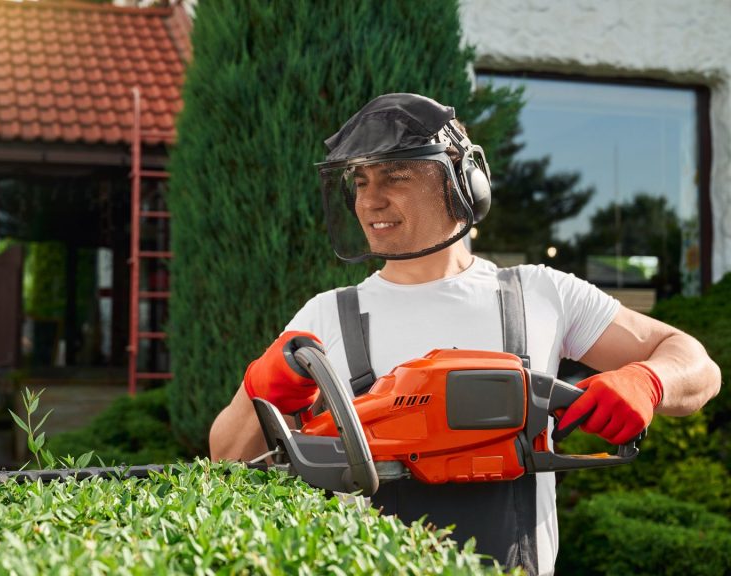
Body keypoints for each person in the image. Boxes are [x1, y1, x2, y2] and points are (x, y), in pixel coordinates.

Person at [208, 93, 721, 575]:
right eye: (361, 182)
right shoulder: (325, 316)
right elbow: (225, 457)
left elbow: (696, 363)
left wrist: (650, 381)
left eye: (395, 177)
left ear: (462, 183)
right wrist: (262, 388)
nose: (371, 201)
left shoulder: (539, 294)